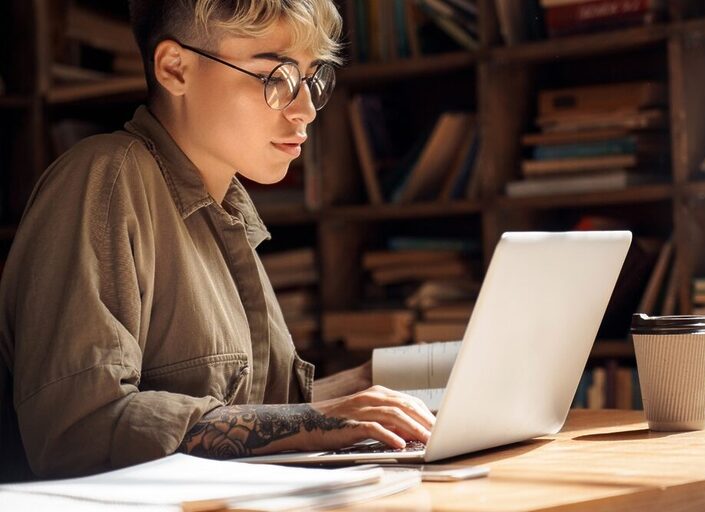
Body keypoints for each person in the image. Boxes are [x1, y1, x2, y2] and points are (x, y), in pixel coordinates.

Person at [0, 0, 434, 481]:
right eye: (276, 77)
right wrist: (321, 419)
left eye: (313, 77)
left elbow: (262, 413)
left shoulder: (224, 204)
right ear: (175, 68)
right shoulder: (106, 177)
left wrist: (377, 383)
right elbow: (78, 431)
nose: (306, 109)